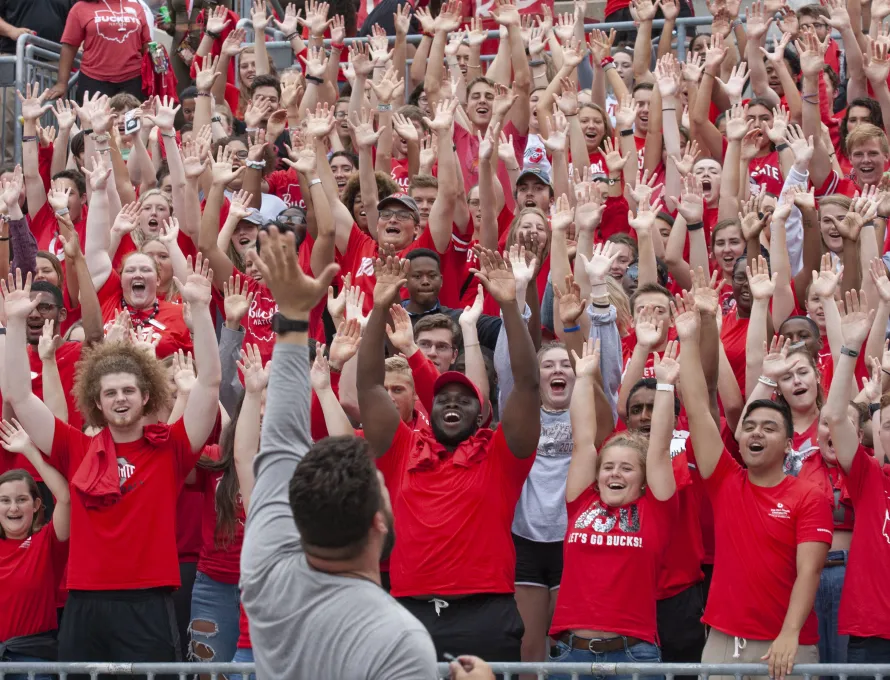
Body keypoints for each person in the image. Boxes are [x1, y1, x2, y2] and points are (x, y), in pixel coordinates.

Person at [1, 253, 221, 676]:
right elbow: (19, 395)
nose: (120, 398)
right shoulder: (74, 448)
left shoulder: (171, 448)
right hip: (84, 600)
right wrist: (13, 324)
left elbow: (210, 383)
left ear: (146, 397)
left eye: (128, 391)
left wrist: (198, 309)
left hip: (148, 602)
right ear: (96, 403)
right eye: (110, 393)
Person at [238, 226, 441, 680]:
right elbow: (283, 446)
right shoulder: (400, 641)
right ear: (379, 523)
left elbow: (280, 442)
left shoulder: (265, 573)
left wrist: (291, 319)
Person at [356, 250, 541, 662]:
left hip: (485, 617)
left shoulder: (501, 455)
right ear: (430, 408)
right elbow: (368, 386)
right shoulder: (402, 448)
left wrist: (510, 304)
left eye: (464, 399)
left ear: (482, 414)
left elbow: (528, 385)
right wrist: (381, 304)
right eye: (443, 398)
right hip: (410, 614)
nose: (451, 404)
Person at [678, 292, 832, 680]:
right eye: (748, 427)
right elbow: (698, 406)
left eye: (768, 427)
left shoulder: (809, 496)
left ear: (788, 443)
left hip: (784, 645)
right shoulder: (725, 480)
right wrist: (687, 340)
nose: (754, 433)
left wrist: (790, 633)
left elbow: (809, 571)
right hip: (723, 642)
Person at [548, 340, 677, 678]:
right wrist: (585, 378)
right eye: (608, 467)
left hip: (633, 656)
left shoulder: (657, 510)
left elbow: (660, 449)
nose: (615, 473)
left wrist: (664, 386)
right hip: (569, 654)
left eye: (626, 468)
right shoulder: (581, 501)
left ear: (644, 479)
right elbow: (582, 440)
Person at [824, 289, 890, 664]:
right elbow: (835, 418)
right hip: (872, 635)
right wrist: (849, 349)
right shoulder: (870, 479)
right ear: (877, 433)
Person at [0, 421, 70, 680]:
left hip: (32, 660)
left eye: (21, 500)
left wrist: (30, 451)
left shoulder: (47, 543)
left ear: (37, 504)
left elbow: (65, 497)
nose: (13, 508)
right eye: (4, 501)